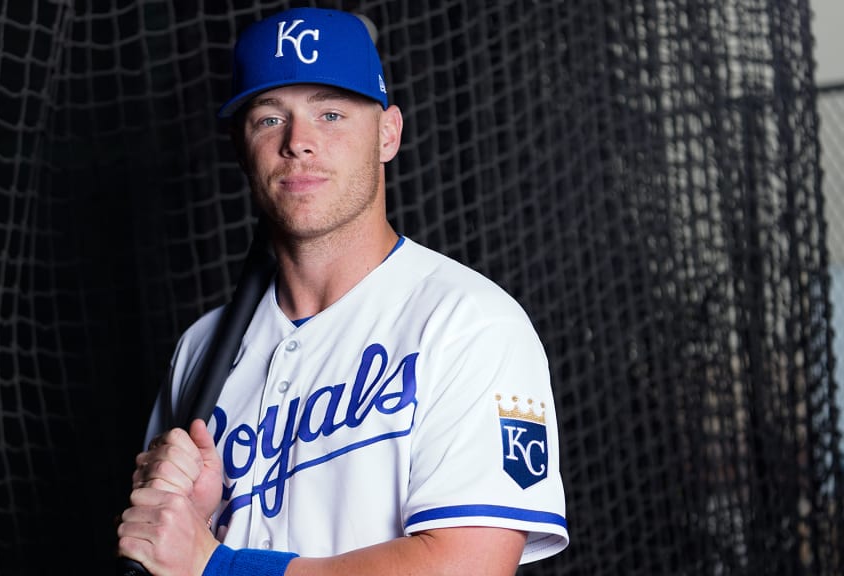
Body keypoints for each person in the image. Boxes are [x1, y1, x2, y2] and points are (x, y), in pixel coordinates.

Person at [116, 7, 568, 576]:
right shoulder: (199, 349)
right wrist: (194, 518)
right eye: (269, 118)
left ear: (388, 134)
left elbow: (467, 566)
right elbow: (170, 555)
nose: (298, 142)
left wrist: (222, 566)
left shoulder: (468, 323)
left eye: (330, 114)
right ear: (240, 146)